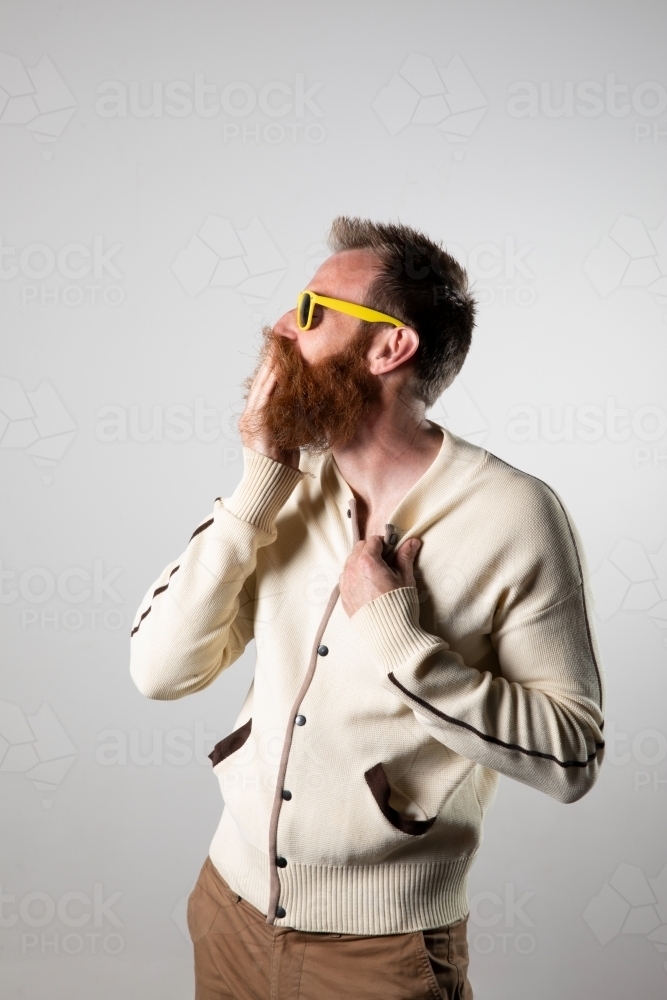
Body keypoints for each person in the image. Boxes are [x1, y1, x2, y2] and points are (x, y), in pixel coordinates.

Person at [130, 217, 605, 999]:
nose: (283, 325)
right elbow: (158, 671)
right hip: (226, 911)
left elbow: (571, 759)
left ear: (391, 349)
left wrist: (398, 638)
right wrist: (254, 493)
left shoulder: (515, 516)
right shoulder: (287, 485)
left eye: (315, 311)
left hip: (379, 954)